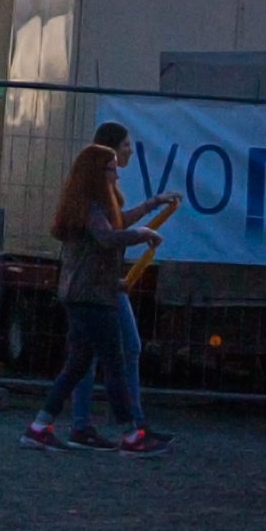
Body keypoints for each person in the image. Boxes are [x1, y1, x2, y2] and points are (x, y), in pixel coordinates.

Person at [27, 118, 170, 456]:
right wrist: (142, 234)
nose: (117, 175)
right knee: (115, 361)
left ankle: (40, 427)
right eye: (111, 170)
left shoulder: (85, 204)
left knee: (78, 363)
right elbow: (106, 238)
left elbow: (104, 237)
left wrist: (148, 211)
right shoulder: (91, 206)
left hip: (84, 293)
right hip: (92, 296)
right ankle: (131, 434)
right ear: (97, 172)